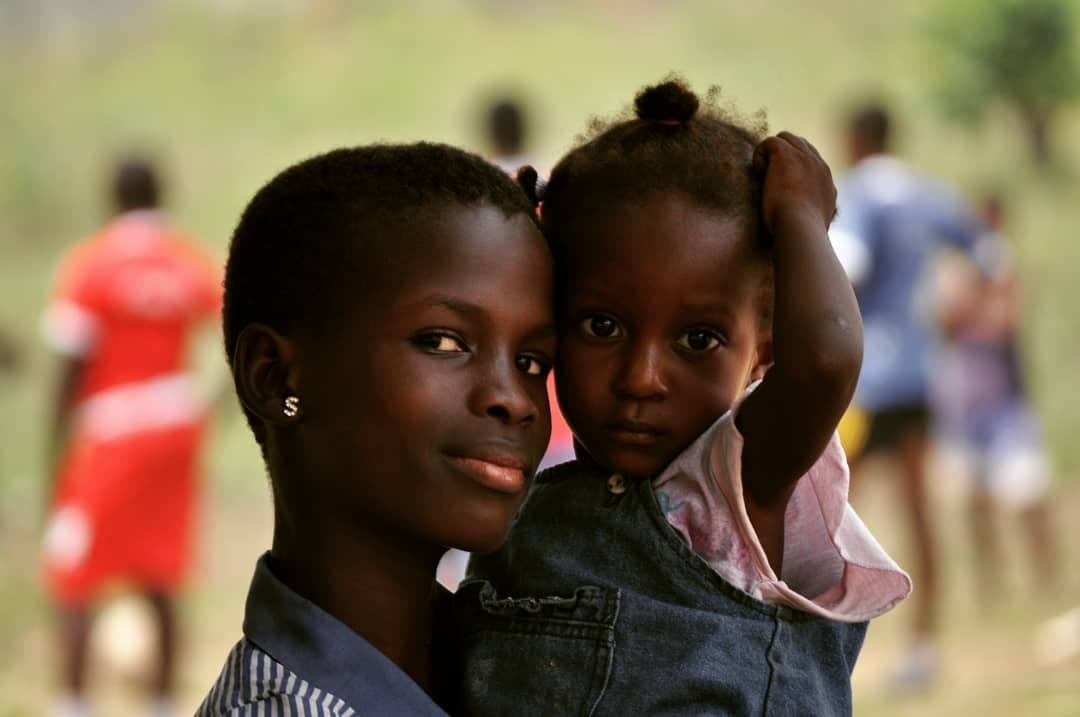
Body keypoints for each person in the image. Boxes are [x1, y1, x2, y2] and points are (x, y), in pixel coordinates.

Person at [456, 78, 910, 716]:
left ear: (765, 351)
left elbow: (827, 361)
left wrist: (801, 218)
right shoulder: (521, 500)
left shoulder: (735, 483)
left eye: (698, 339)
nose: (642, 377)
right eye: (601, 326)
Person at [196, 142, 555, 715]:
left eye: (532, 362)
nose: (515, 400)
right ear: (274, 377)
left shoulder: (536, 658)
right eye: (443, 342)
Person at [41, 156, 221, 717]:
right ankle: (165, 705)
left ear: (111, 197)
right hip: (174, 427)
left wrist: (56, 455)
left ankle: (74, 703)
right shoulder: (187, 261)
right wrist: (207, 405)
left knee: (75, 576)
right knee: (162, 572)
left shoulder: (90, 267)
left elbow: (71, 366)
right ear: (163, 193)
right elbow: (245, 330)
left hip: (112, 433)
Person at [829, 102, 984, 689]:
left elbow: (850, 262)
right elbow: (991, 257)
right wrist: (953, 315)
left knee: (831, 513)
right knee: (921, 515)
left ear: (855, 135)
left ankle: (826, 640)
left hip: (867, 380)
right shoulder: (930, 193)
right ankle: (923, 648)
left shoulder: (859, 194)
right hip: (919, 375)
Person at [933, 192, 1058, 603]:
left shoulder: (1002, 268)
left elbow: (1002, 321)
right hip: (964, 402)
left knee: (1028, 494)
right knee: (974, 504)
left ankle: (1046, 579)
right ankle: (992, 587)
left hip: (1004, 401)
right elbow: (948, 320)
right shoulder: (960, 270)